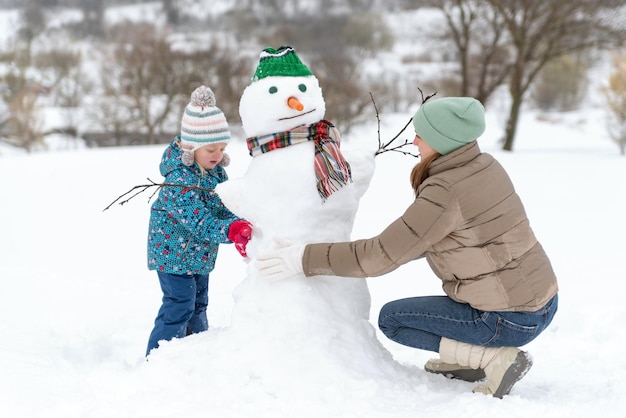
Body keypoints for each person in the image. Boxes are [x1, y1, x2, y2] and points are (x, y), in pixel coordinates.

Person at [255, 96, 558, 398]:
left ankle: (492, 358)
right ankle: (471, 361)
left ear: (443, 140)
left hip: (506, 319)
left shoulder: (445, 192)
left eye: (421, 134)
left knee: (393, 320)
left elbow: (378, 256)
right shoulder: (484, 166)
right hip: (542, 303)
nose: (414, 140)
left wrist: (304, 258)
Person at [146, 85, 252, 356]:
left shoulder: (215, 174)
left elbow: (222, 208)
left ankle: (196, 354)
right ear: (191, 148)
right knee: (179, 304)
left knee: (199, 304)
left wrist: (241, 223)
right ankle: (159, 356)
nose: (217, 155)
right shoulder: (179, 180)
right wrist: (230, 230)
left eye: (221, 148)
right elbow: (201, 221)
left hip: (198, 254)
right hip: (173, 254)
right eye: (211, 150)